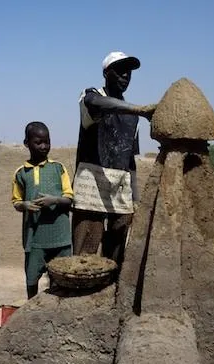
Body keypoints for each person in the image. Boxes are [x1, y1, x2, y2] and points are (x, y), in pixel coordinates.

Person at [72, 51, 156, 269]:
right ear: (106, 73)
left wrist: (134, 198)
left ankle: (109, 289)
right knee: (87, 245)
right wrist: (139, 109)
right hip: (92, 179)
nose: (125, 76)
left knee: (117, 245)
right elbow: (97, 104)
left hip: (120, 182)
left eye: (128, 72)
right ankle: (82, 292)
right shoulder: (91, 95)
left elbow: (130, 160)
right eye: (120, 70)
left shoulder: (132, 116)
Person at [12, 121, 73, 299]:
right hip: (35, 236)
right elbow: (16, 201)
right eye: (38, 142)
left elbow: (69, 198)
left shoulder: (58, 168)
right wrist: (25, 205)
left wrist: (54, 200)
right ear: (27, 143)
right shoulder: (21, 173)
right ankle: (31, 306)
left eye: (47, 141)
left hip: (60, 237)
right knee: (32, 278)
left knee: (60, 277)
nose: (44, 146)